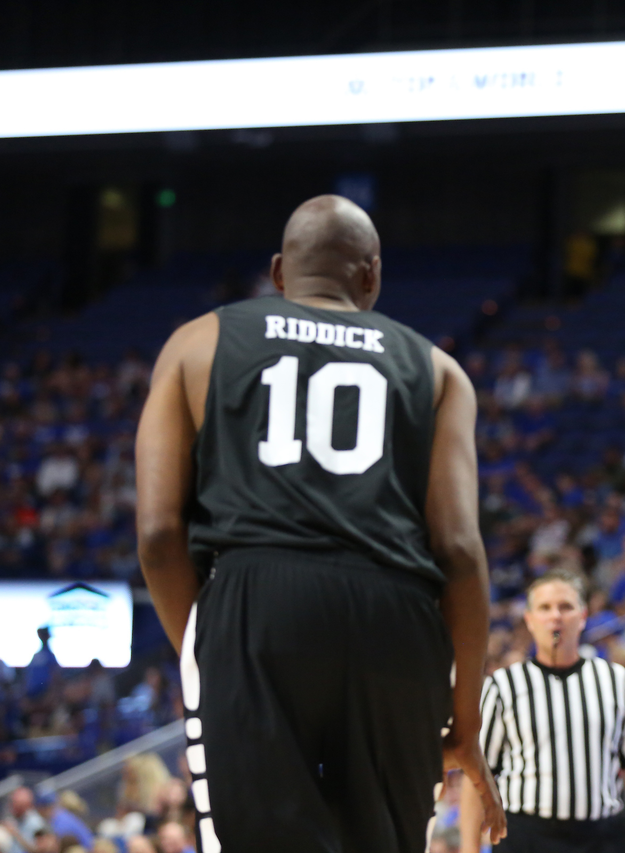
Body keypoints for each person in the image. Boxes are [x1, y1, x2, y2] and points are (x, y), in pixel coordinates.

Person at [135, 194, 505, 853]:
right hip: (397, 618)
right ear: (371, 276)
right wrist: (466, 717)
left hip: (256, 601)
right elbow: (460, 551)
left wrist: (208, 648)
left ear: (279, 274)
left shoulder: (199, 342)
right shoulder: (439, 371)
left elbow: (160, 535)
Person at [462, 569, 625, 853]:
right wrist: (468, 849)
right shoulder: (503, 685)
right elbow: (478, 774)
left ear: (583, 617)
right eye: (545, 608)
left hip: (600, 835)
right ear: (529, 620)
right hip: (525, 835)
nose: (555, 616)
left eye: (565, 607)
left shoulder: (617, 681)